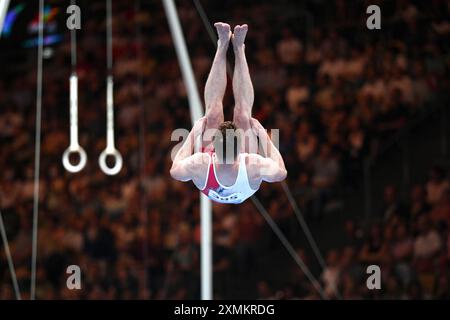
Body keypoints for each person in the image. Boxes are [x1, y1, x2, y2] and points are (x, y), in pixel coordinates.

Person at [170, 23, 287, 204]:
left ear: (213, 150)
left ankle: (223, 45)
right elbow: (281, 172)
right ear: (241, 147)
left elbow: (175, 170)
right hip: (242, 182)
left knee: (212, 114)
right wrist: (262, 133)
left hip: (210, 180)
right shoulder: (251, 165)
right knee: (243, 115)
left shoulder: (202, 163)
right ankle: (238, 48)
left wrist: (194, 132)